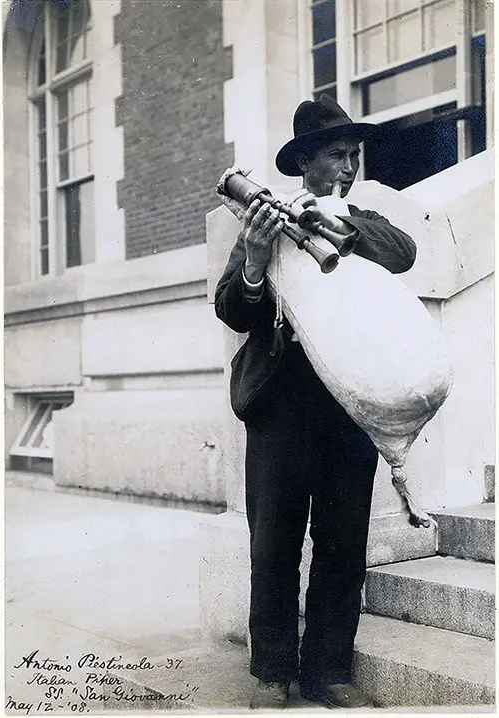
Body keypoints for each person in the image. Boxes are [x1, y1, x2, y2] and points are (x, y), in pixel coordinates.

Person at [214, 94, 417, 710]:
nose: (350, 166)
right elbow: (233, 308)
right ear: (305, 161)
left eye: (354, 155)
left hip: (346, 406)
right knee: (273, 544)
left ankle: (328, 673)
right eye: (336, 155)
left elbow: (404, 251)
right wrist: (254, 259)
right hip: (280, 405)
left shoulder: (362, 219)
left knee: (342, 543)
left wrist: (338, 227)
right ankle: (273, 675)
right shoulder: (267, 220)